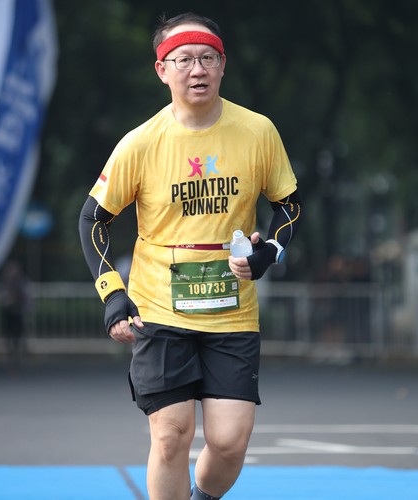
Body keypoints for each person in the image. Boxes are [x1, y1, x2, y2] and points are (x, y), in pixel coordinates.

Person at [79, 12, 302, 500]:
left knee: (229, 443)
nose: (197, 69)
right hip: (159, 309)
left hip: (231, 311)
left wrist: (269, 252)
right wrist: (113, 294)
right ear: (162, 70)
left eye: (207, 58)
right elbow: (93, 219)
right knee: (171, 435)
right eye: (183, 60)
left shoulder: (258, 131)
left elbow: (288, 205)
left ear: (223, 65)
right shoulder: (141, 143)